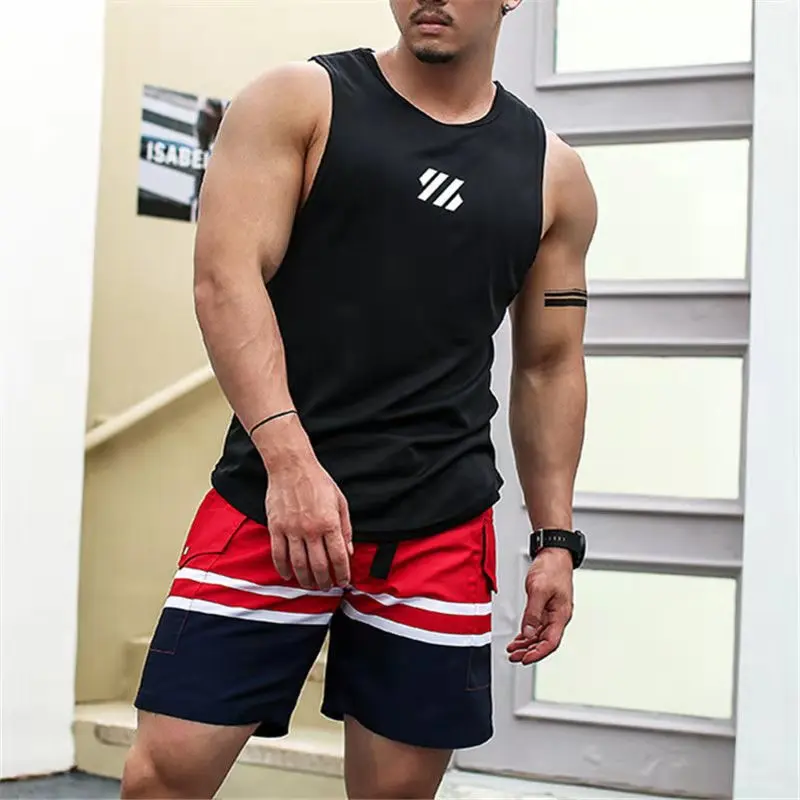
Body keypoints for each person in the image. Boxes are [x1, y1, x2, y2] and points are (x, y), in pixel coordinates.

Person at [121, 0, 597, 797]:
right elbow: (225, 282)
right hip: (270, 503)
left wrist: (556, 539)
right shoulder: (298, 101)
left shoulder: (554, 175)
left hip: (439, 523)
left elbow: (550, 364)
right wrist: (290, 465)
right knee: (162, 777)